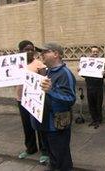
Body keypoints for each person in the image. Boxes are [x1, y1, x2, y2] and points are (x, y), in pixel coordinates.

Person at [39, 42, 76, 171]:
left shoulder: (65, 73)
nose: (41, 54)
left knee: (62, 157)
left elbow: (70, 99)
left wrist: (51, 91)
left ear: (56, 54)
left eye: (45, 51)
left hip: (58, 124)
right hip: (46, 122)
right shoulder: (48, 72)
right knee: (53, 155)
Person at [16, 40, 48, 164]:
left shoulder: (39, 64)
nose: (30, 51)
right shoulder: (16, 64)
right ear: (20, 51)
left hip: (35, 100)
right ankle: (30, 148)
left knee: (39, 125)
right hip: (21, 99)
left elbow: (43, 81)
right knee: (27, 125)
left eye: (31, 49)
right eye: (26, 49)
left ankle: (44, 151)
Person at [84, 46, 105, 129]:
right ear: (91, 52)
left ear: (98, 53)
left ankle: (98, 120)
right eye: (93, 51)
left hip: (98, 88)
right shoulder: (87, 62)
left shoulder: (101, 63)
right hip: (89, 87)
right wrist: (80, 70)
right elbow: (84, 74)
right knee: (91, 105)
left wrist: (104, 73)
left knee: (98, 105)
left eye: (96, 52)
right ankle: (94, 120)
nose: (95, 53)